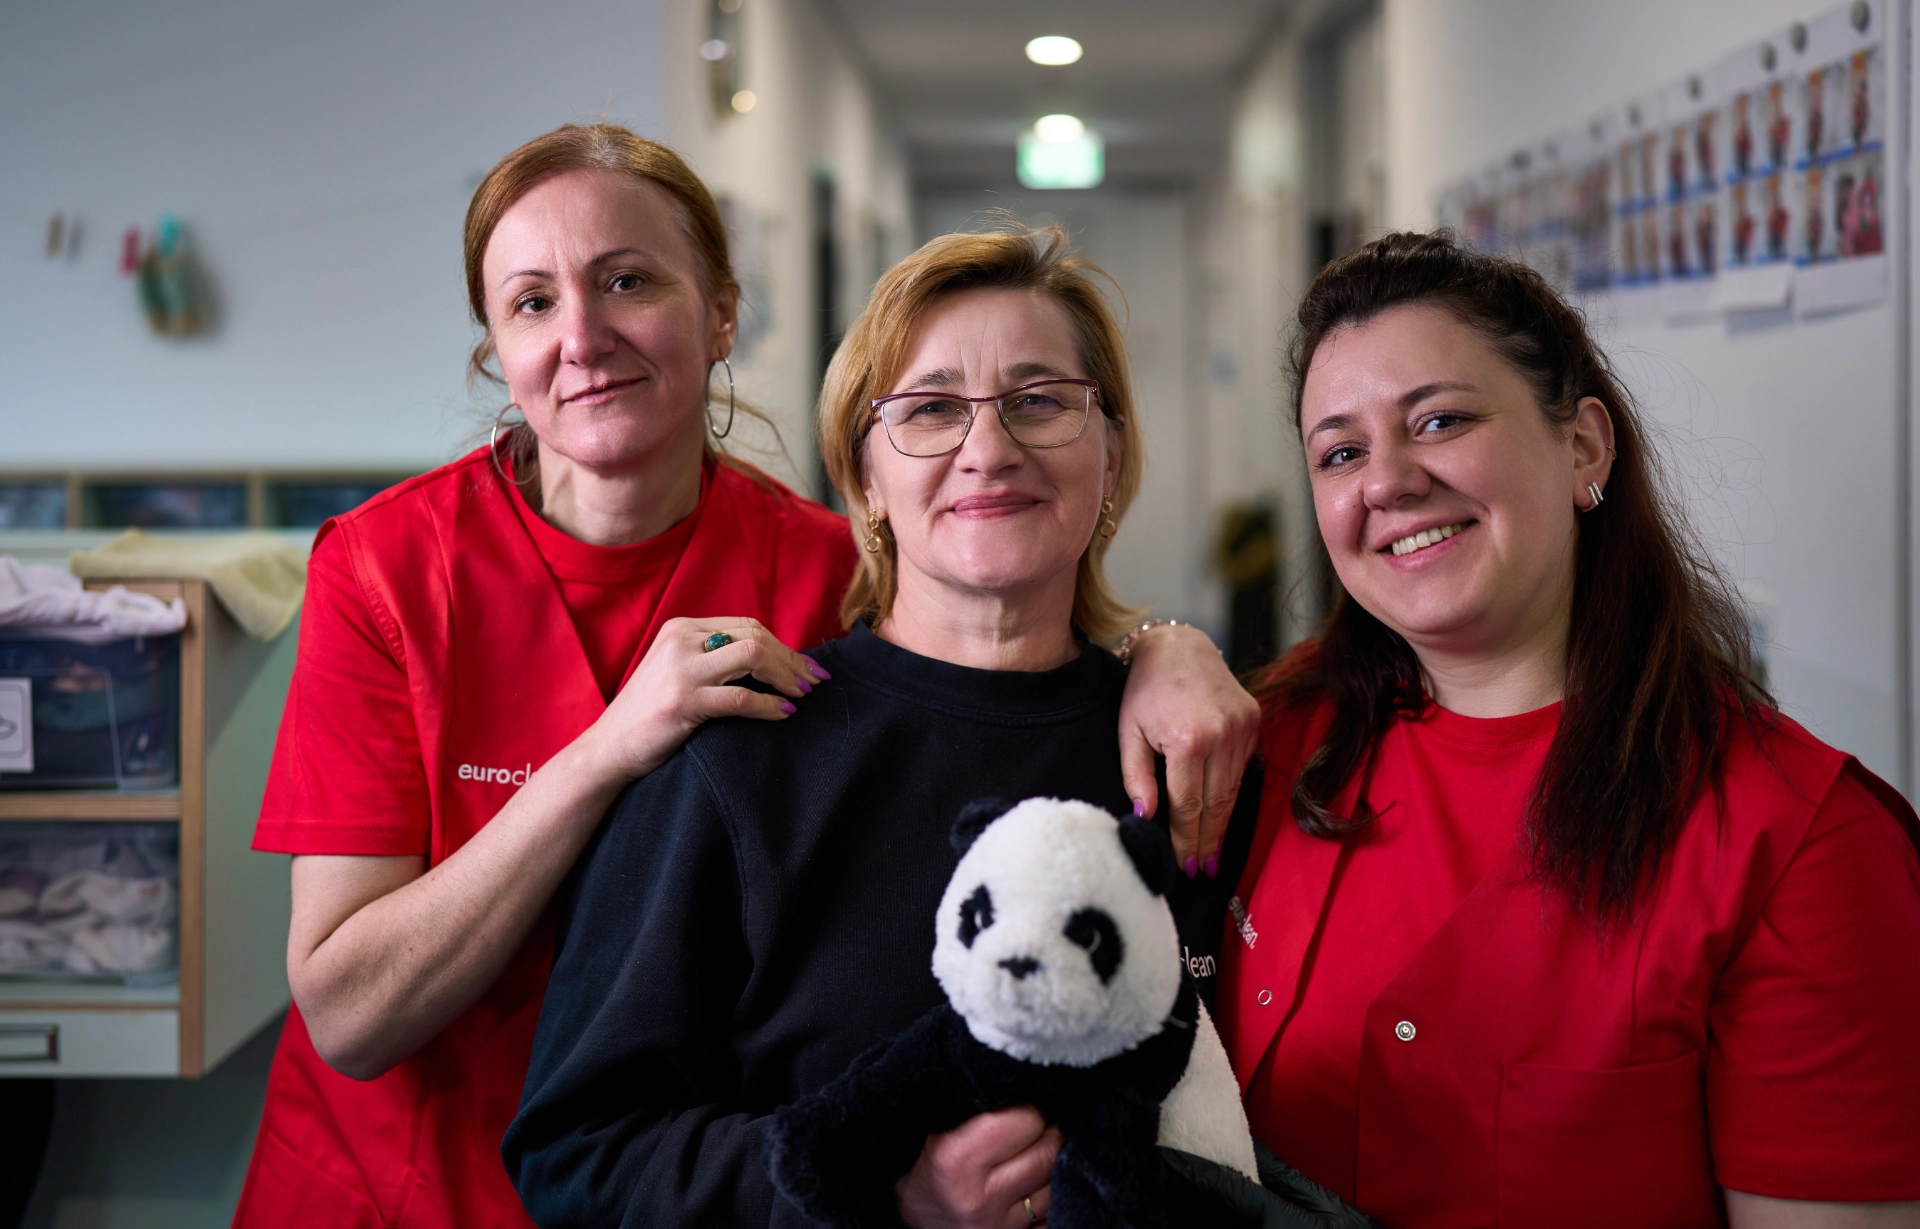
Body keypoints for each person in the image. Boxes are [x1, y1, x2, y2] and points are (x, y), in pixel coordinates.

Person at [232, 126, 1257, 1229]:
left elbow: (976, 637)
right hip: (414, 1174)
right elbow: (350, 1014)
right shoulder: (390, 569)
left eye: (627, 279)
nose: (583, 335)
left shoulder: (819, 570)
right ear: (494, 344)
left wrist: (1166, 641)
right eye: (532, 302)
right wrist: (605, 751)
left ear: (721, 311)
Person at [503, 226, 1261, 1228]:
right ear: (864, 479)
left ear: (1112, 453)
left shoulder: (1195, 751)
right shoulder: (743, 757)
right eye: (933, 409)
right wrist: (882, 1195)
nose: (988, 450)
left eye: (1040, 401)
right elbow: (577, 1152)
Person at [1215, 232, 1920, 1227]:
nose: (1388, 480)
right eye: (1341, 451)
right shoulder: (1274, 741)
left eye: (1440, 419)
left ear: (1583, 444)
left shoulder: (1796, 844)